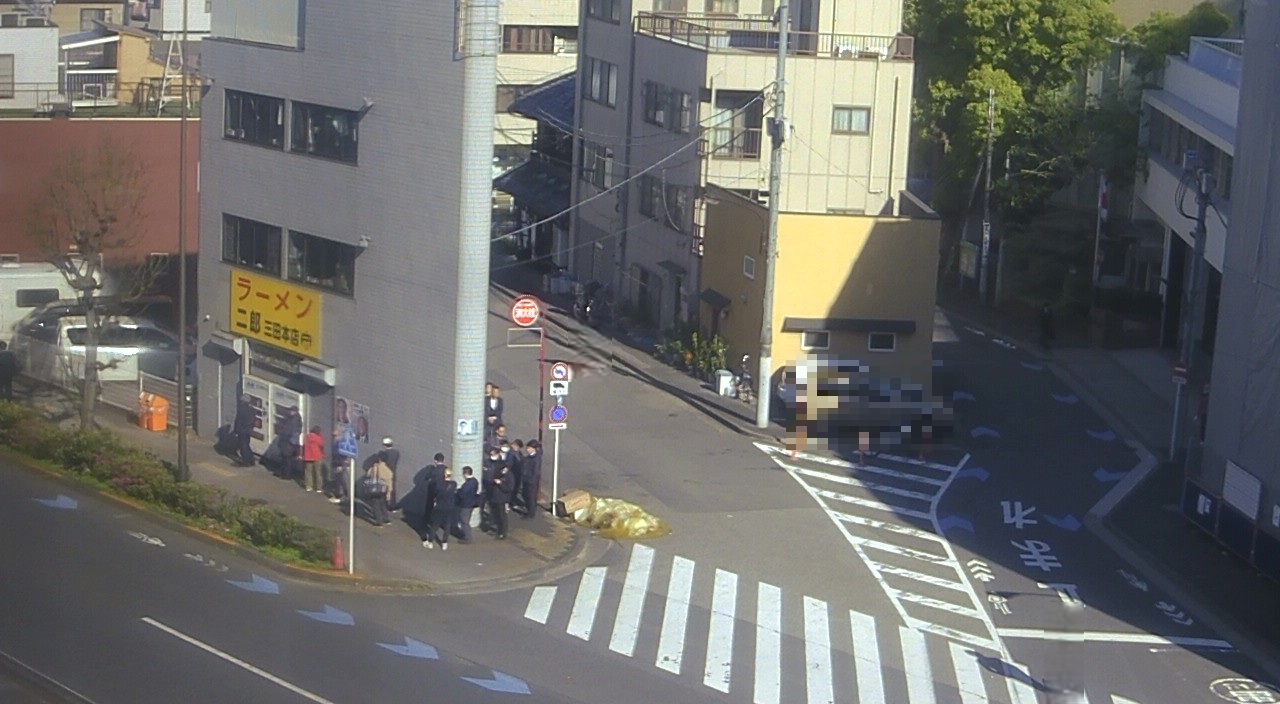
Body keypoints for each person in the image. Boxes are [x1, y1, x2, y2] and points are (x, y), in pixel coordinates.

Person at [424, 468, 458, 550]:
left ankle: (430, 542)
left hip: (439, 507)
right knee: (447, 526)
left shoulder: (438, 485)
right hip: (449, 508)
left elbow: (434, 494)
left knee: (434, 525)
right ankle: (444, 543)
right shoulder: (453, 484)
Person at [417, 453, 447, 531]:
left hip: (433, 492)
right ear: (444, 460)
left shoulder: (433, 471)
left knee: (429, 508)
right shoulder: (447, 470)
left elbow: (427, 478)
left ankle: (426, 522)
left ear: (435, 461)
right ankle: (442, 523)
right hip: (444, 492)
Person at [363, 455, 394, 525]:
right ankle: (386, 519)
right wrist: (388, 492)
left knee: (376, 505)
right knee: (382, 504)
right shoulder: (387, 470)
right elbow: (389, 482)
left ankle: (379, 521)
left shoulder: (373, 467)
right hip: (383, 489)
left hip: (373, 489)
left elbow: (368, 475)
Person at [454, 466, 480, 543]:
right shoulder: (475, 481)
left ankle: (467, 538)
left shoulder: (467, 484)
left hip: (466, 505)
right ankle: (467, 536)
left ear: (465, 474)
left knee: (464, 521)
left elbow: (462, 494)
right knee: (466, 520)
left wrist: (457, 492)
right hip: (471, 503)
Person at [489, 461, 513, 539]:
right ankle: (498, 530)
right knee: (497, 515)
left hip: (503, 499)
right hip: (495, 498)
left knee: (502, 517)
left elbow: (509, 488)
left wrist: (500, 484)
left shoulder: (509, 476)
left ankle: (503, 533)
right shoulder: (498, 473)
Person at [232, 394, 257, 467]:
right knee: (247, 445)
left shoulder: (241, 409)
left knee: (243, 446)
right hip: (249, 430)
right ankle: (251, 460)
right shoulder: (251, 409)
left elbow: (238, 420)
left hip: (242, 430)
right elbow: (253, 420)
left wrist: (236, 430)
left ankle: (246, 461)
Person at [522, 440, 542, 518]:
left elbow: (535, 471)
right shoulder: (528, 457)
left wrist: (531, 480)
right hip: (526, 479)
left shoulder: (536, 459)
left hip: (531, 481)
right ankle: (529, 509)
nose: (527, 450)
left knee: (531, 497)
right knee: (525, 495)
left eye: (529, 448)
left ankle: (530, 513)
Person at [302, 425, 325, 493]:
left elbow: (304, 445)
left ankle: (309, 486)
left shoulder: (307, 437)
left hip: (308, 456)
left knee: (308, 472)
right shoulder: (318, 437)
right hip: (317, 456)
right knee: (318, 472)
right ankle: (319, 488)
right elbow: (322, 445)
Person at [507, 439, 525, 509]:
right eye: (515, 446)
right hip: (512, 474)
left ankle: (512, 501)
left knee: (516, 489)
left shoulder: (519, 453)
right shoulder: (510, 453)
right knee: (511, 489)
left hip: (518, 474)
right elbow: (509, 464)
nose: (516, 448)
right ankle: (509, 502)